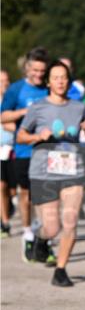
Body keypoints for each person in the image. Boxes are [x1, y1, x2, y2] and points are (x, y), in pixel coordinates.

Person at [17, 60, 85, 286]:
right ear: (49, 82)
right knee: (51, 227)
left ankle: (61, 270)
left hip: (72, 170)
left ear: (68, 80)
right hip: (44, 172)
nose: (60, 81)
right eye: (56, 78)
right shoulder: (38, 107)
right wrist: (36, 137)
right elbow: (21, 136)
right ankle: (40, 238)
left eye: (64, 77)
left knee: (70, 222)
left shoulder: (78, 107)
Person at [0, 48, 49, 261]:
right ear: (27, 68)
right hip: (24, 150)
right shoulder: (16, 90)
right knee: (27, 195)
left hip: (50, 150)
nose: (39, 75)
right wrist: (24, 113)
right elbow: (3, 117)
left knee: (48, 198)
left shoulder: (49, 88)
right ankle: (28, 233)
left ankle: (44, 239)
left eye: (42, 71)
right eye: (35, 70)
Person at [1, 69, 16, 237]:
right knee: (1, 185)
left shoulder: (13, 100)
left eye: (6, 80)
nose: (4, 84)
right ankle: (4, 223)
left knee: (12, 189)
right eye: (0, 81)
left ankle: (10, 203)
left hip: (14, 148)